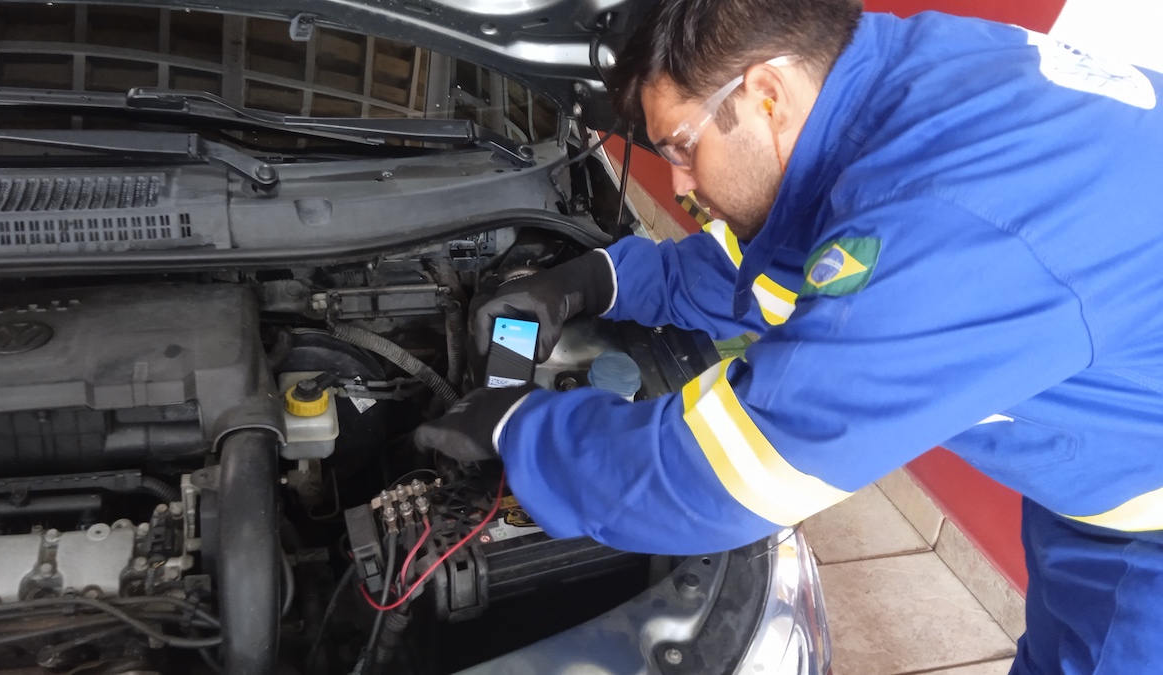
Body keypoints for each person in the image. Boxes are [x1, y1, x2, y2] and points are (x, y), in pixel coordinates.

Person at [415, 1, 1163, 672]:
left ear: (764, 92)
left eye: (679, 144)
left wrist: (522, 428)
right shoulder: (889, 80)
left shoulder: (952, 228)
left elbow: (723, 476)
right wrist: (602, 278)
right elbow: (797, 251)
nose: (676, 183)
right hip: (1109, 453)